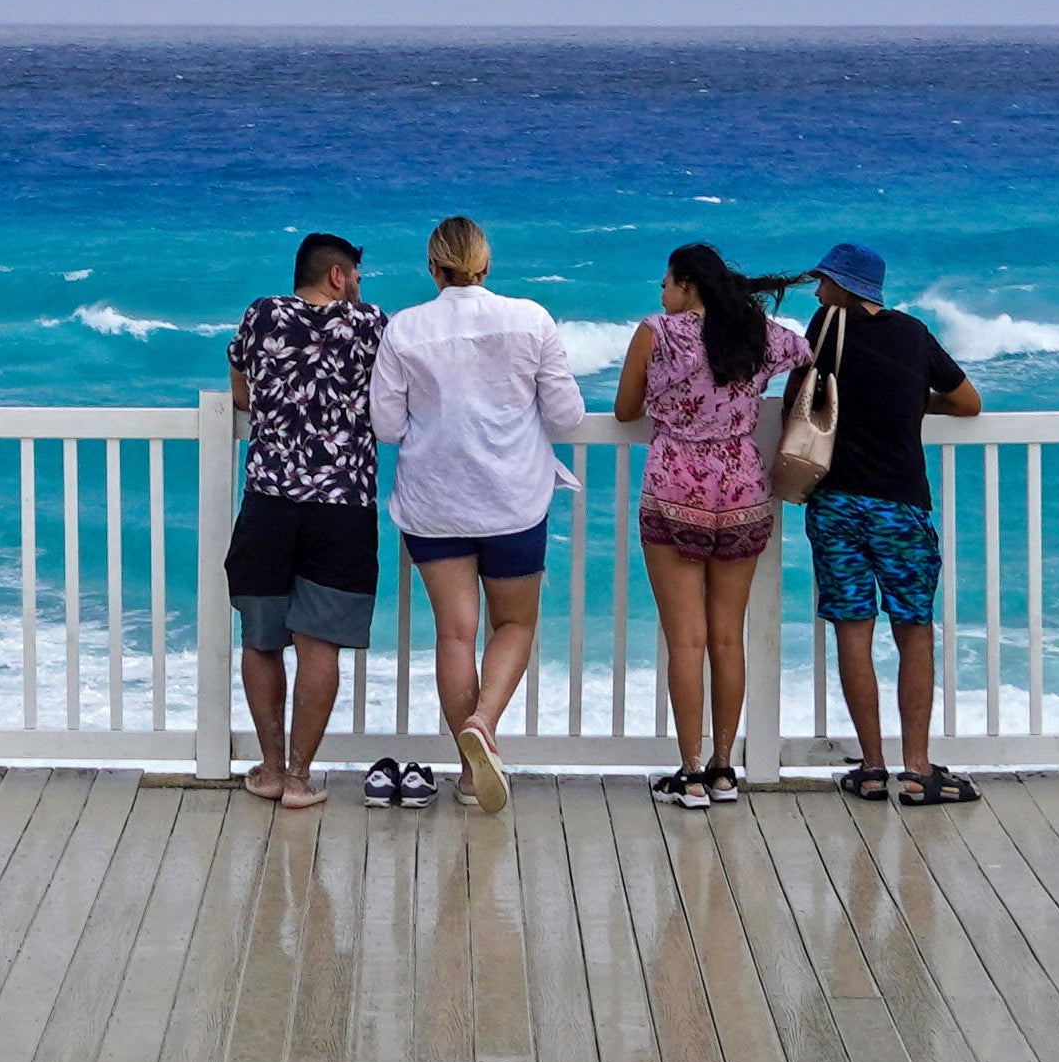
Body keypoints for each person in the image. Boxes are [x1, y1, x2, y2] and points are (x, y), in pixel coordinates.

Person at [370, 217, 587, 812]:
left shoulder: (404, 329)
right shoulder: (531, 319)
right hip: (513, 499)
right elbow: (566, 415)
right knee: (513, 626)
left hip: (434, 502)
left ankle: (471, 770)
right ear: (487, 266)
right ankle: (484, 727)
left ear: (433, 269)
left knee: (455, 632)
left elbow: (387, 426)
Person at [615, 244, 813, 808]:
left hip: (677, 486)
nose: (661, 293)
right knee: (728, 635)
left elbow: (626, 409)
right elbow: (805, 353)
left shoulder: (657, 332)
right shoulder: (756, 333)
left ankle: (692, 771)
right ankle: (726, 768)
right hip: (743, 487)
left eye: (665, 282)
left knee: (687, 637)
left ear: (686, 286)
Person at [799, 242, 984, 805]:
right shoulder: (912, 333)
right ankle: (919, 768)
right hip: (901, 504)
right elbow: (968, 402)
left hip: (835, 503)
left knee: (853, 631)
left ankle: (873, 767)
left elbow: (799, 401)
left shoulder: (825, 329)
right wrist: (912, 404)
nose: (817, 291)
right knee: (914, 630)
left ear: (844, 288)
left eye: (824, 281)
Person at [223, 232, 388, 809]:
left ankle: (267, 768)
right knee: (321, 648)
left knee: (262, 638)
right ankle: (298, 777)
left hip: (270, 498)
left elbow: (241, 393)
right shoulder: (370, 325)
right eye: (358, 278)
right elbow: (391, 401)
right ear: (339, 277)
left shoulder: (261, 315)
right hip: (343, 505)